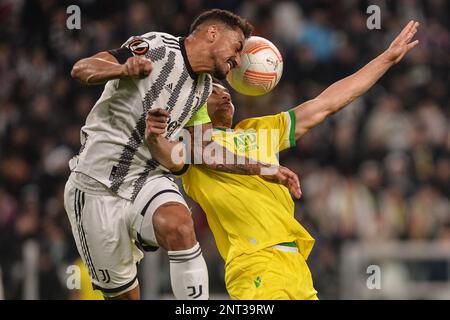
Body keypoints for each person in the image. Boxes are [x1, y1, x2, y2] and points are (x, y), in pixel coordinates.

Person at [145, 21, 420, 299]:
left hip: (296, 264)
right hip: (254, 262)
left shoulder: (262, 129)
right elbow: (169, 157)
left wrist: (386, 59)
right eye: (213, 90)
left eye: (225, 90)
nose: (223, 93)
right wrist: (155, 138)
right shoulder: (196, 147)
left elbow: (328, 102)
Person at [64, 9, 298, 300]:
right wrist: (122, 70)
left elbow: (205, 150)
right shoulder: (157, 47)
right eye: (237, 48)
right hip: (95, 184)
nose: (238, 60)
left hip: (146, 177)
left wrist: (265, 169)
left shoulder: (201, 91)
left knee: (179, 224)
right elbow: (82, 68)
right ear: (212, 33)